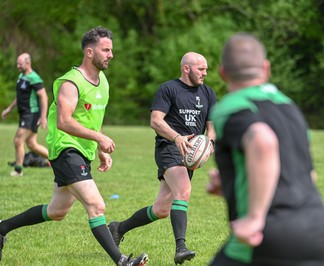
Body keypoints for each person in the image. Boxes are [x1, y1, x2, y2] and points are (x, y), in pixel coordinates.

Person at [0, 27, 148, 266]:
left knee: (56, 211)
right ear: (90, 52)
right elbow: (64, 121)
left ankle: (2, 228)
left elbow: (93, 122)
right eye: (106, 50)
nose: (111, 54)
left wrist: (99, 150)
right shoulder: (71, 82)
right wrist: (100, 139)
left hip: (82, 152)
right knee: (96, 205)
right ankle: (122, 262)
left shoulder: (103, 83)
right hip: (66, 149)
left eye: (111, 50)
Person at [207, 33, 324, 266]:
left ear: (222, 72)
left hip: (269, 237)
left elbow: (262, 140)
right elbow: (305, 175)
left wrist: (255, 218)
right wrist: (234, 184)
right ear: (266, 68)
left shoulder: (230, 106)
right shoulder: (289, 107)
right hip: (320, 234)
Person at [108, 52, 216, 265]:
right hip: (169, 147)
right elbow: (156, 121)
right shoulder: (168, 89)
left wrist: (209, 144)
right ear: (186, 68)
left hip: (190, 153)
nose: (205, 73)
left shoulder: (208, 93)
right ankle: (181, 248)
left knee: (161, 209)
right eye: (201, 69)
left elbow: (212, 127)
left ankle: (119, 228)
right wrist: (177, 138)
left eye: (206, 69)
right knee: (183, 192)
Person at [1, 52, 49, 176]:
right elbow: (20, 97)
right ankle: (56, 160)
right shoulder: (21, 76)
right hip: (24, 114)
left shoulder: (34, 78)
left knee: (18, 140)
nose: (17, 66)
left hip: (31, 114)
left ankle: (18, 170)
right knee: (32, 145)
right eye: (17, 63)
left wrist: (43, 116)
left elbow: (43, 96)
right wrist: (8, 109)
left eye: (20, 63)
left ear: (28, 63)